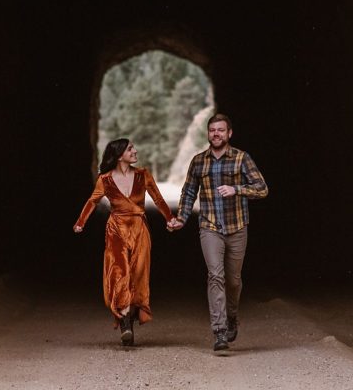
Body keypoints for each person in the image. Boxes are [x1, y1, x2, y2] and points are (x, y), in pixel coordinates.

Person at [168, 112, 268, 352]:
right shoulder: (199, 161)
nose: (216, 134)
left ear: (229, 133)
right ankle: (220, 331)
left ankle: (232, 316)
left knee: (233, 281)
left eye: (221, 130)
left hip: (237, 227)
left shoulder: (242, 158)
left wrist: (237, 189)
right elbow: (189, 192)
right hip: (210, 226)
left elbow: (262, 189)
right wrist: (181, 218)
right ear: (208, 133)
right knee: (215, 276)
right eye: (213, 130)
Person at [74, 138, 174, 346]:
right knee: (119, 272)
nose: (135, 151)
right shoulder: (105, 180)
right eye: (130, 149)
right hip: (116, 229)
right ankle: (125, 322)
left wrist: (170, 218)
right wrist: (80, 222)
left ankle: (131, 313)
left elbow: (158, 199)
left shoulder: (143, 175)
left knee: (137, 274)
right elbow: (92, 201)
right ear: (120, 155)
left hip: (139, 229)